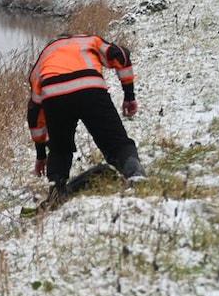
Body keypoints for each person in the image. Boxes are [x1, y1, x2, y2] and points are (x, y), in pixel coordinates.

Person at [26, 34, 145, 205]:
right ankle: (135, 173)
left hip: (54, 94)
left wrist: (41, 154)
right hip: (90, 87)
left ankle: (57, 192)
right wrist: (129, 96)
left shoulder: (43, 58)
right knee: (116, 142)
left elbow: (34, 111)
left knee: (60, 149)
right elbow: (121, 55)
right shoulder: (88, 40)